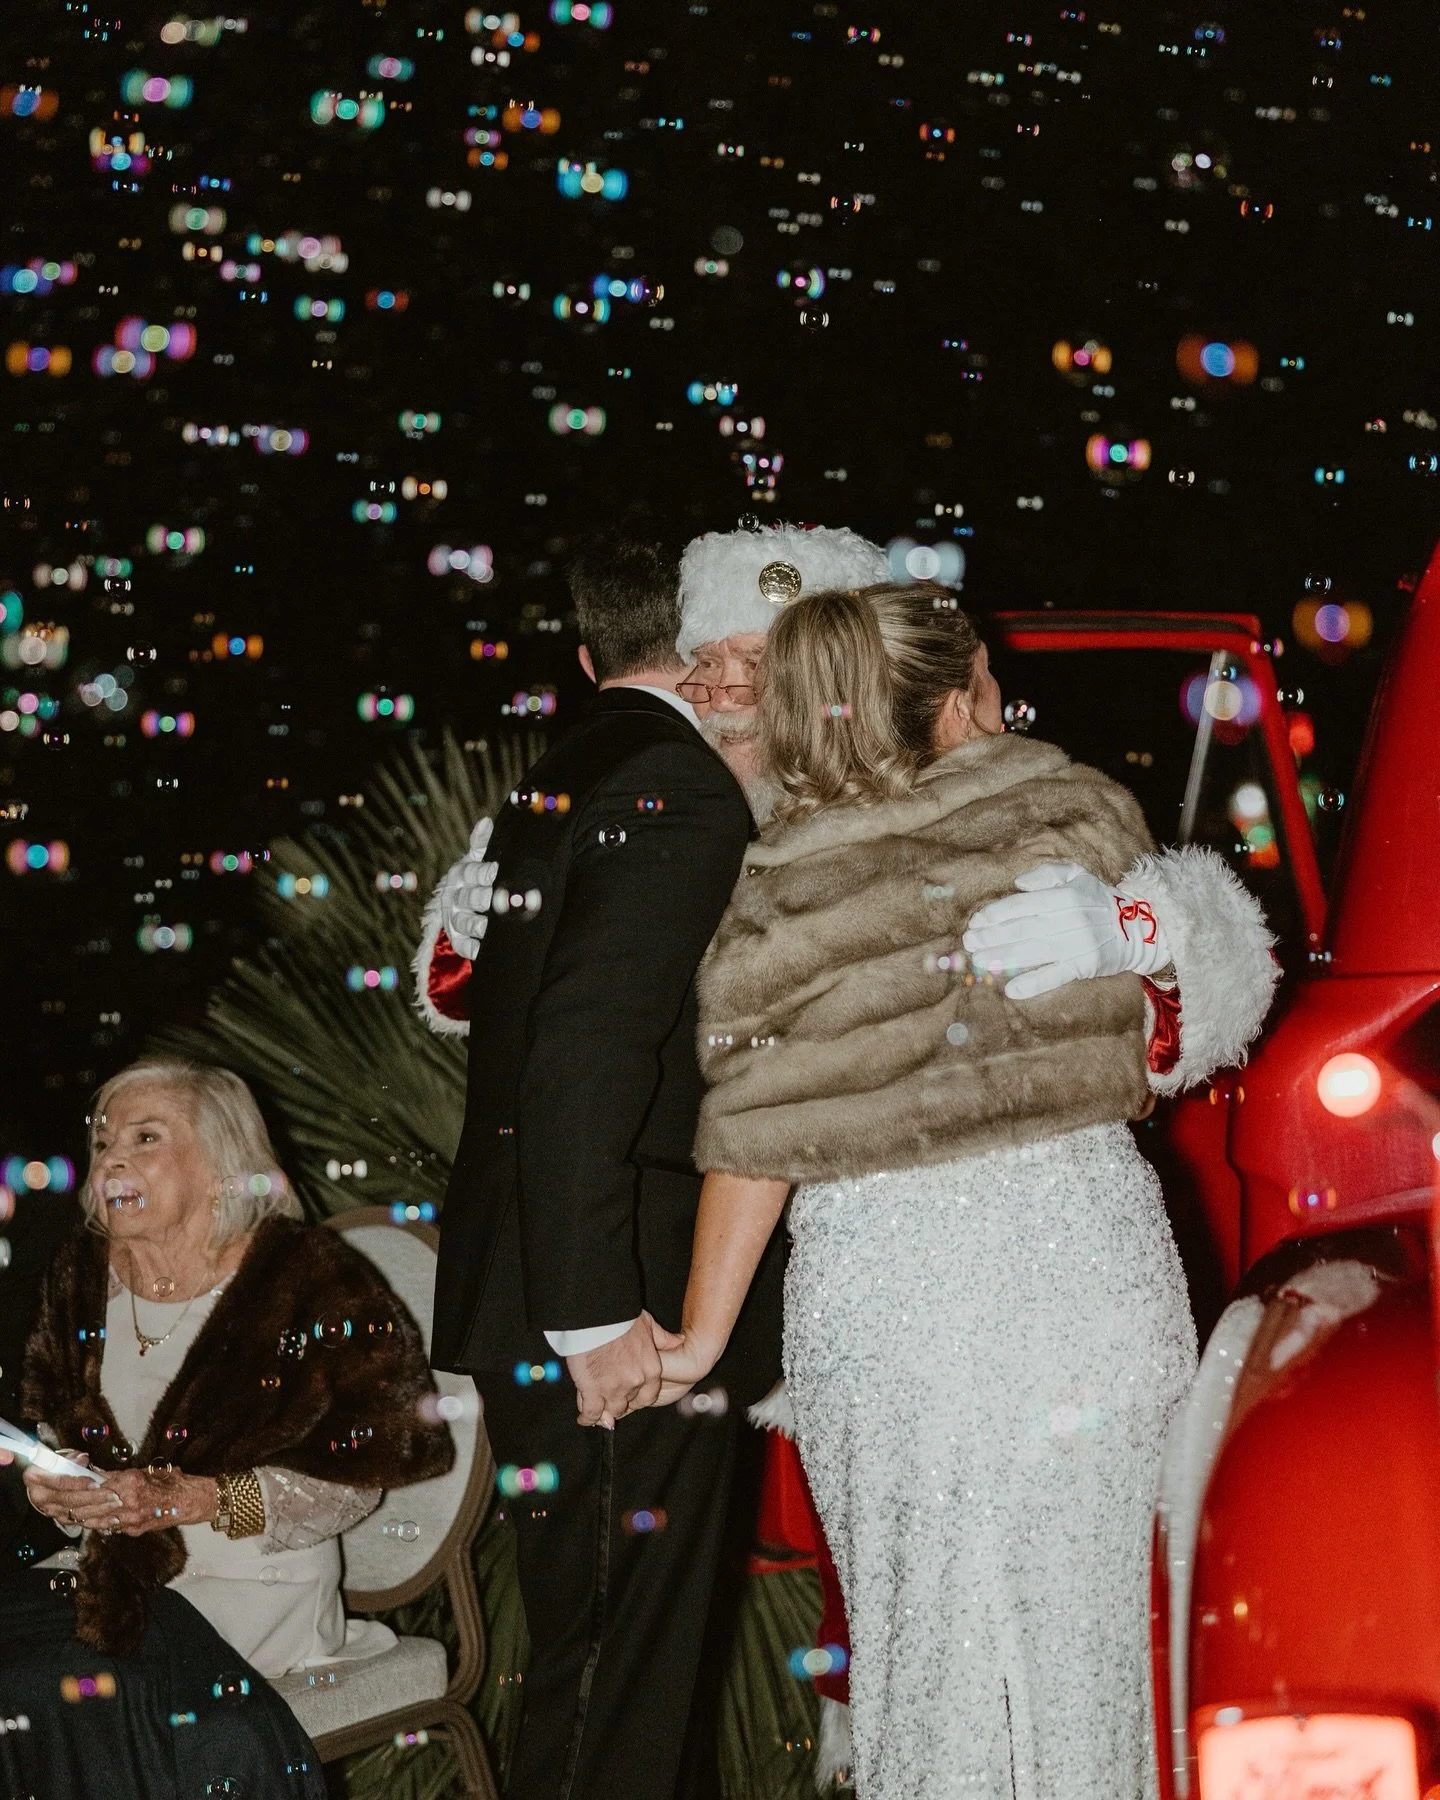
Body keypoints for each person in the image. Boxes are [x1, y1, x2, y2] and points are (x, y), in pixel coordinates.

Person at [647, 583, 1278, 1800]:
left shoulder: (778, 881)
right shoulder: (1069, 813)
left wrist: (702, 1337)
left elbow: (753, 1140)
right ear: (945, 707)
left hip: (887, 1305)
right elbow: (1199, 1031)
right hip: (1079, 1265)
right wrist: (1141, 925)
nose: (1004, 705)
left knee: (922, 1640)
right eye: (987, 683)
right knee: (1100, 1628)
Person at [429, 534, 787, 1799]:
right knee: (614, 1688)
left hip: (556, 1277)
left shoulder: (563, 773)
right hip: (612, 1299)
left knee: (610, 1665)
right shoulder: (675, 786)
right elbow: (587, 1046)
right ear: (706, 654)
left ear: (587, 660)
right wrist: (594, 1314)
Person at [3, 1056, 453, 1800]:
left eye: (146, 1137)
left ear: (222, 1164)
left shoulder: (308, 1280)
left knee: (51, 1692)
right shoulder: (80, 1275)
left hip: (254, 1586)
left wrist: (198, 1499)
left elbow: (365, 1472)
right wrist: (56, 1482)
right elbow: (58, 1426)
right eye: (105, 1140)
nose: (113, 1156)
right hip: (99, 1578)